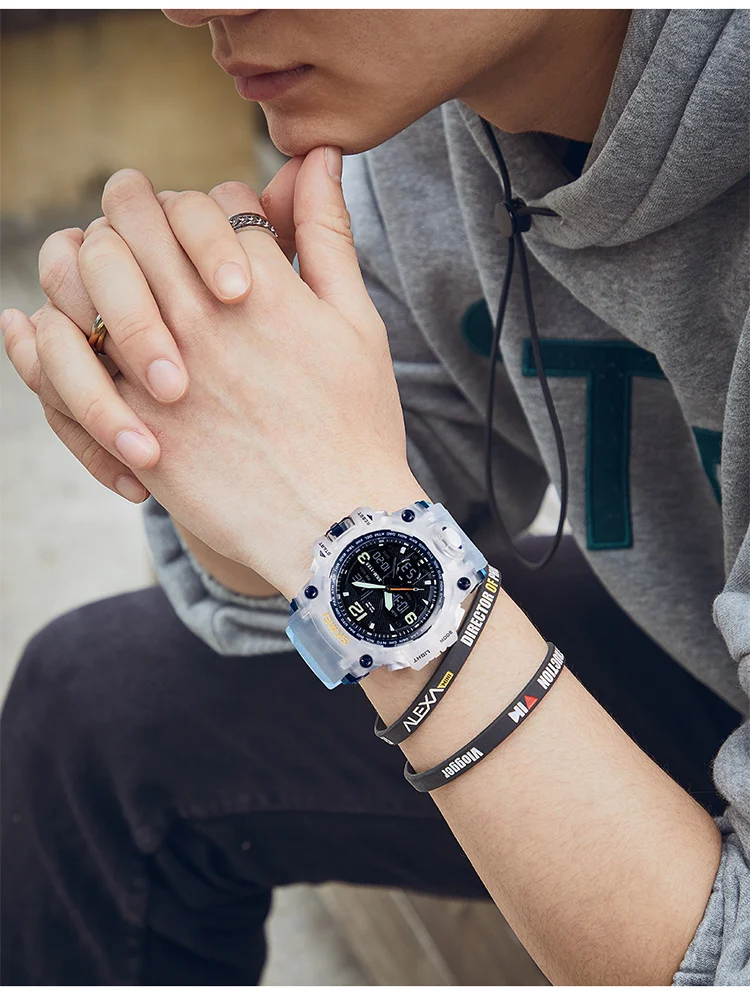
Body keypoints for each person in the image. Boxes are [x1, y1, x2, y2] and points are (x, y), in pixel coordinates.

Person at [1, 8, 748, 985]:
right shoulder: (432, 117)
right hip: (700, 648)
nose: (186, 9)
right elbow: (277, 590)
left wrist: (344, 523)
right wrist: (194, 419)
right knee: (95, 703)